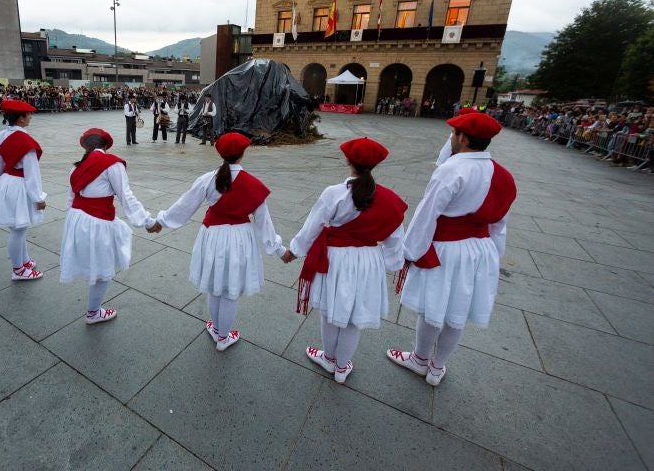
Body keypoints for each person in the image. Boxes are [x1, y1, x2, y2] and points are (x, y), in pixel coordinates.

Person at [387, 113, 516, 386]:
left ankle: (420, 359)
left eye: (453, 133)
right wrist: (494, 254)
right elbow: (499, 223)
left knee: (433, 306)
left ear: (463, 138)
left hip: (447, 249)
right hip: (481, 250)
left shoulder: (452, 169)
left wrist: (410, 252)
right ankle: (437, 368)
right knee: (458, 310)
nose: (451, 138)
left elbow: (427, 214)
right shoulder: (504, 176)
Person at [281, 138, 406, 383]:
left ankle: (328, 358)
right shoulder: (391, 199)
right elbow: (395, 239)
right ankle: (342, 366)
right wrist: (389, 262)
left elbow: (312, 227)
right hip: (368, 260)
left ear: (348, 160)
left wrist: (293, 251)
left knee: (330, 311)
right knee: (354, 318)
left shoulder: (334, 193)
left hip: (335, 258)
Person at [152, 132, 285, 351]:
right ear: (243, 154)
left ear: (221, 154)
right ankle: (223, 337)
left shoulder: (208, 179)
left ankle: (216, 329)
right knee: (230, 290)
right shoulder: (253, 184)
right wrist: (279, 250)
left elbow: (184, 206)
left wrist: (160, 222)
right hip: (239, 239)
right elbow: (264, 223)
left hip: (212, 236)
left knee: (214, 287)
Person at [60, 128, 157, 323]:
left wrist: (74, 222)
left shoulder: (76, 167)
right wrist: (147, 221)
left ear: (86, 147)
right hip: (97, 221)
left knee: (95, 261)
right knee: (103, 266)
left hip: (77, 218)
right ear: (105, 146)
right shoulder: (112, 164)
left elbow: (71, 197)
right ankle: (93, 312)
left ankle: (94, 310)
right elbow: (126, 196)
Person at [0, 100, 46, 280]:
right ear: (20, 119)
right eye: (28, 114)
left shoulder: (2, 135)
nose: (30, 117)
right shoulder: (27, 142)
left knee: (19, 227)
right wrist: (38, 198)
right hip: (19, 185)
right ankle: (18, 270)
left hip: (6, 181)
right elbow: (32, 174)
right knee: (17, 230)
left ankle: (24, 260)